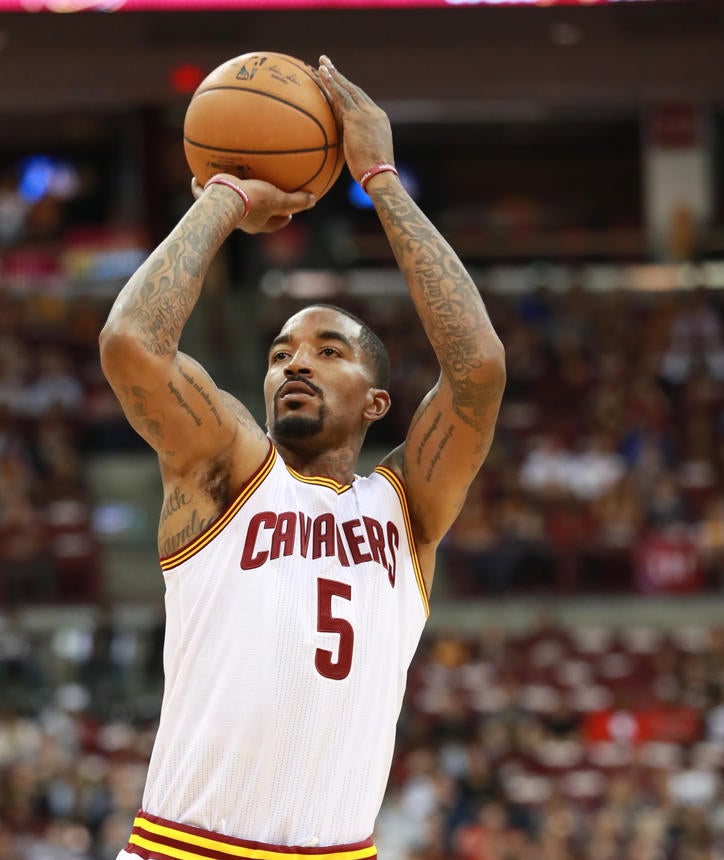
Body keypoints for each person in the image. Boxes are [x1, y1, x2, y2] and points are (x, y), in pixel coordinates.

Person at [100, 55, 505, 860]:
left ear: (377, 402)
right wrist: (223, 198)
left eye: (328, 351)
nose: (296, 363)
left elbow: (478, 370)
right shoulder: (227, 469)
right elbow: (131, 344)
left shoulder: (406, 511)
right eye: (282, 352)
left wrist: (381, 181)